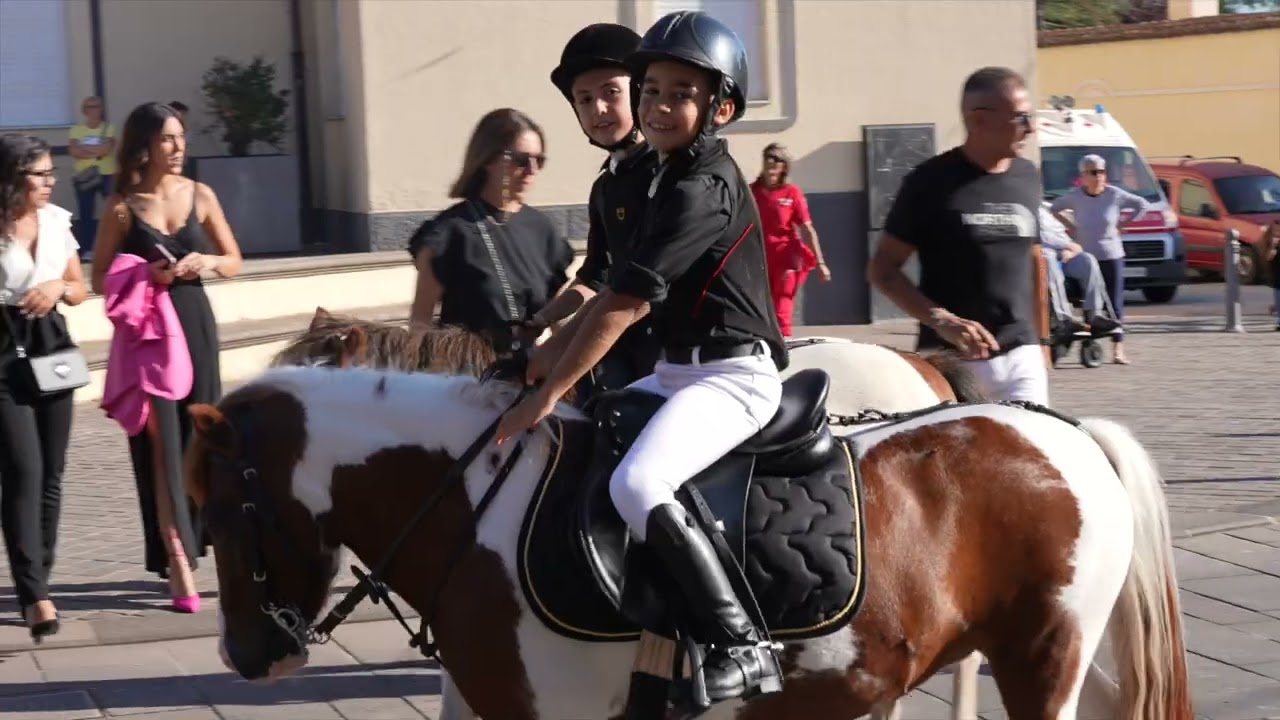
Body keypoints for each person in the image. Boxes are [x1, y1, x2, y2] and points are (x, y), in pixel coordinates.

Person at [496, 10, 787, 703]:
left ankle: (744, 644)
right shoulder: (654, 175)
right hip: (678, 371)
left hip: (733, 374)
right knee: (588, 449)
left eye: (679, 94)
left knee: (636, 485)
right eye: (650, 90)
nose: (655, 106)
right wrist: (539, 347)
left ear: (720, 108)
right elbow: (597, 288)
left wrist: (545, 389)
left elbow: (623, 304)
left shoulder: (700, 187)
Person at [90, 102, 244, 611]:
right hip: (149, 336)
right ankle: (178, 560)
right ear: (143, 146)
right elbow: (99, 278)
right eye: (167, 140)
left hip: (195, 323)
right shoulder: (120, 207)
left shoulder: (201, 195)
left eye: (181, 138)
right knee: (162, 447)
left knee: (202, 441)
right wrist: (147, 276)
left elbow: (235, 260)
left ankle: (210, 542)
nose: (178, 148)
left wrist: (210, 260)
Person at [867, 66, 1049, 405]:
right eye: (1020, 118)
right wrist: (943, 321)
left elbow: (1036, 260)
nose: (1031, 128)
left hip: (1022, 358)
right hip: (951, 365)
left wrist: (1042, 342)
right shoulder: (929, 183)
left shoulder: (1027, 176)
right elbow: (883, 271)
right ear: (979, 120)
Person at [528, 23, 662, 396]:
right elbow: (594, 279)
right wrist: (541, 319)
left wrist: (561, 345)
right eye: (584, 99)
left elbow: (644, 292)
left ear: (639, 92)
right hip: (619, 343)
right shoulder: (606, 185)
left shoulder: (669, 176)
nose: (598, 109)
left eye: (610, 93)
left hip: (672, 350)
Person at [0, 134, 90, 642]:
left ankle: (40, 574)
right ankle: (34, 594)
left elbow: (80, 288)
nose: (50, 181)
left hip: (51, 345)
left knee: (52, 471)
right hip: (2, 349)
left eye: (51, 172)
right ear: (11, 175)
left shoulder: (57, 220)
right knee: (23, 470)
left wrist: (58, 287)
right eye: (39, 173)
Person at [407, 109, 573, 357]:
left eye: (540, 160)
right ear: (488, 159)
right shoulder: (447, 235)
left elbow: (560, 317)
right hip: (466, 380)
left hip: (526, 377)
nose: (532, 169)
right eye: (521, 159)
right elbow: (419, 327)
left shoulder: (542, 229)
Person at [1049, 154, 1149, 365]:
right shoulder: (1075, 196)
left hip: (1111, 255)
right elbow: (1053, 209)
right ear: (1083, 175)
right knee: (1090, 302)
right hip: (1086, 257)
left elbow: (1142, 205)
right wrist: (1072, 227)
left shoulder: (1114, 195)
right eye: (1093, 172)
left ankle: (1118, 349)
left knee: (1114, 302)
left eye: (1102, 172)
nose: (1099, 176)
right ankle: (1088, 343)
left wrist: (1123, 225)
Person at [751, 143, 829, 336]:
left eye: (776, 158)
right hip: (759, 259)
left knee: (781, 310)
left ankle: (785, 349)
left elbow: (807, 228)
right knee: (759, 309)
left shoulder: (792, 193)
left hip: (786, 259)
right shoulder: (751, 191)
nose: (770, 161)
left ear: (784, 166)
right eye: (767, 157)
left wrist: (820, 263)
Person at [1038, 204, 1120, 340]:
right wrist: (1068, 245)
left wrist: (1069, 249)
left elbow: (1060, 232)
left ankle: (1094, 316)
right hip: (1041, 252)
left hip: (1062, 250)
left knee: (1088, 261)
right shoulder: (1023, 206)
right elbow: (1039, 235)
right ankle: (1063, 320)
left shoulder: (1046, 207)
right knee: (1048, 261)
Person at [67, 96, 117, 255]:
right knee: (86, 214)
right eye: (89, 107)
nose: (93, 110)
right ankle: (87, 249)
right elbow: (74, 151)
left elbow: (107, 150)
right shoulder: (76, 129)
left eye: (96, 106)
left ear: (101, 109)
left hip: (107, 175)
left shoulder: (109, 127)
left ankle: (117, 247)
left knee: (116, 211)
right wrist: (96, 150)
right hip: (85, 176)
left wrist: (85, 148)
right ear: (84, 110)